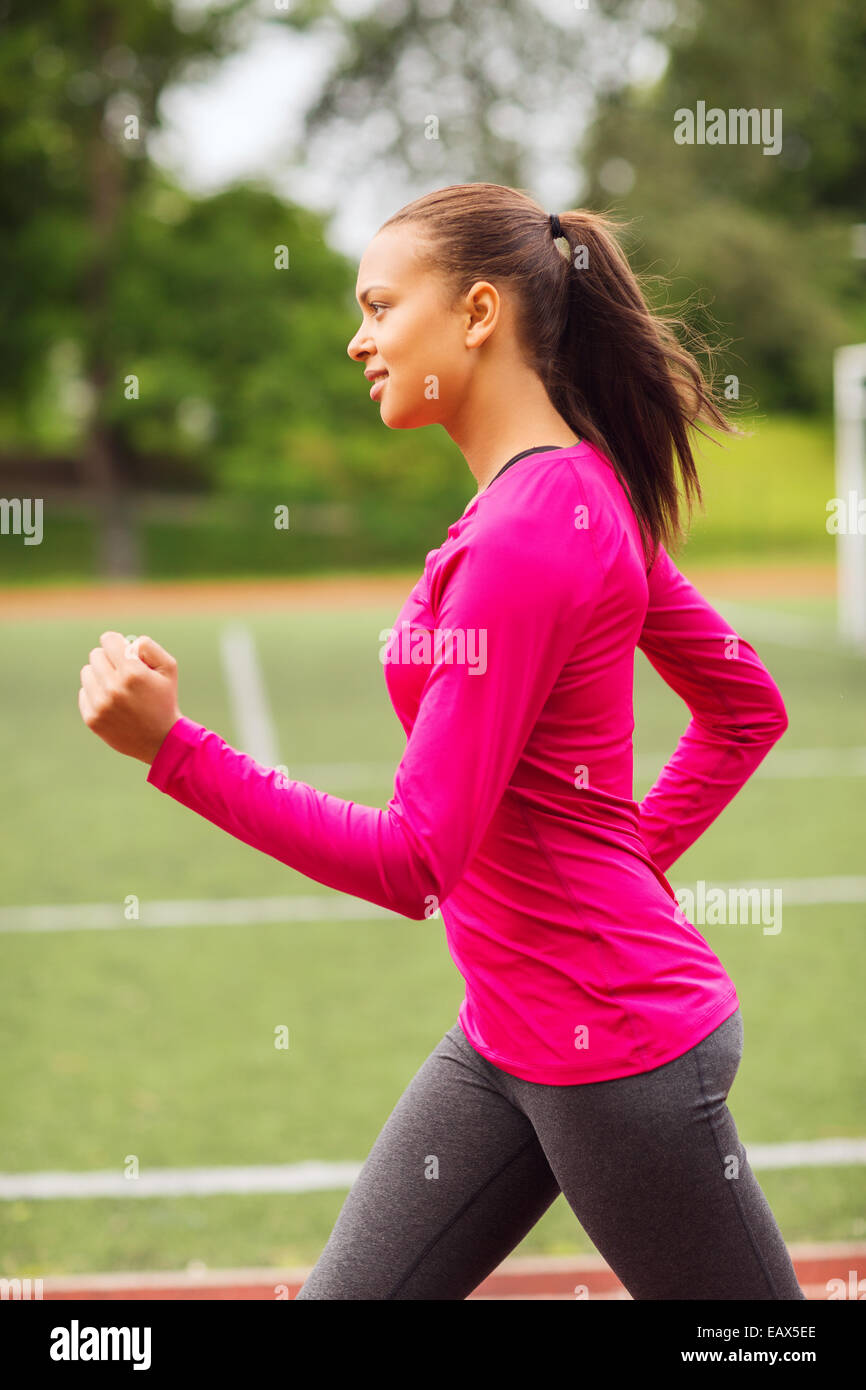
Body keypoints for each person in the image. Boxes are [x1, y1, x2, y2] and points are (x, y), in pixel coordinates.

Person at [83, 182, 806, 1300]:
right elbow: (744, 708)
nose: (355, 337)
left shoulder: (530, 534)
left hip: (615, 1054)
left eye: (378, 306)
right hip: (506, 1037)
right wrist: (615, 874)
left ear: (475, 315)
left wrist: (174, 749)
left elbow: (411, 859)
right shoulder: (569, 493)